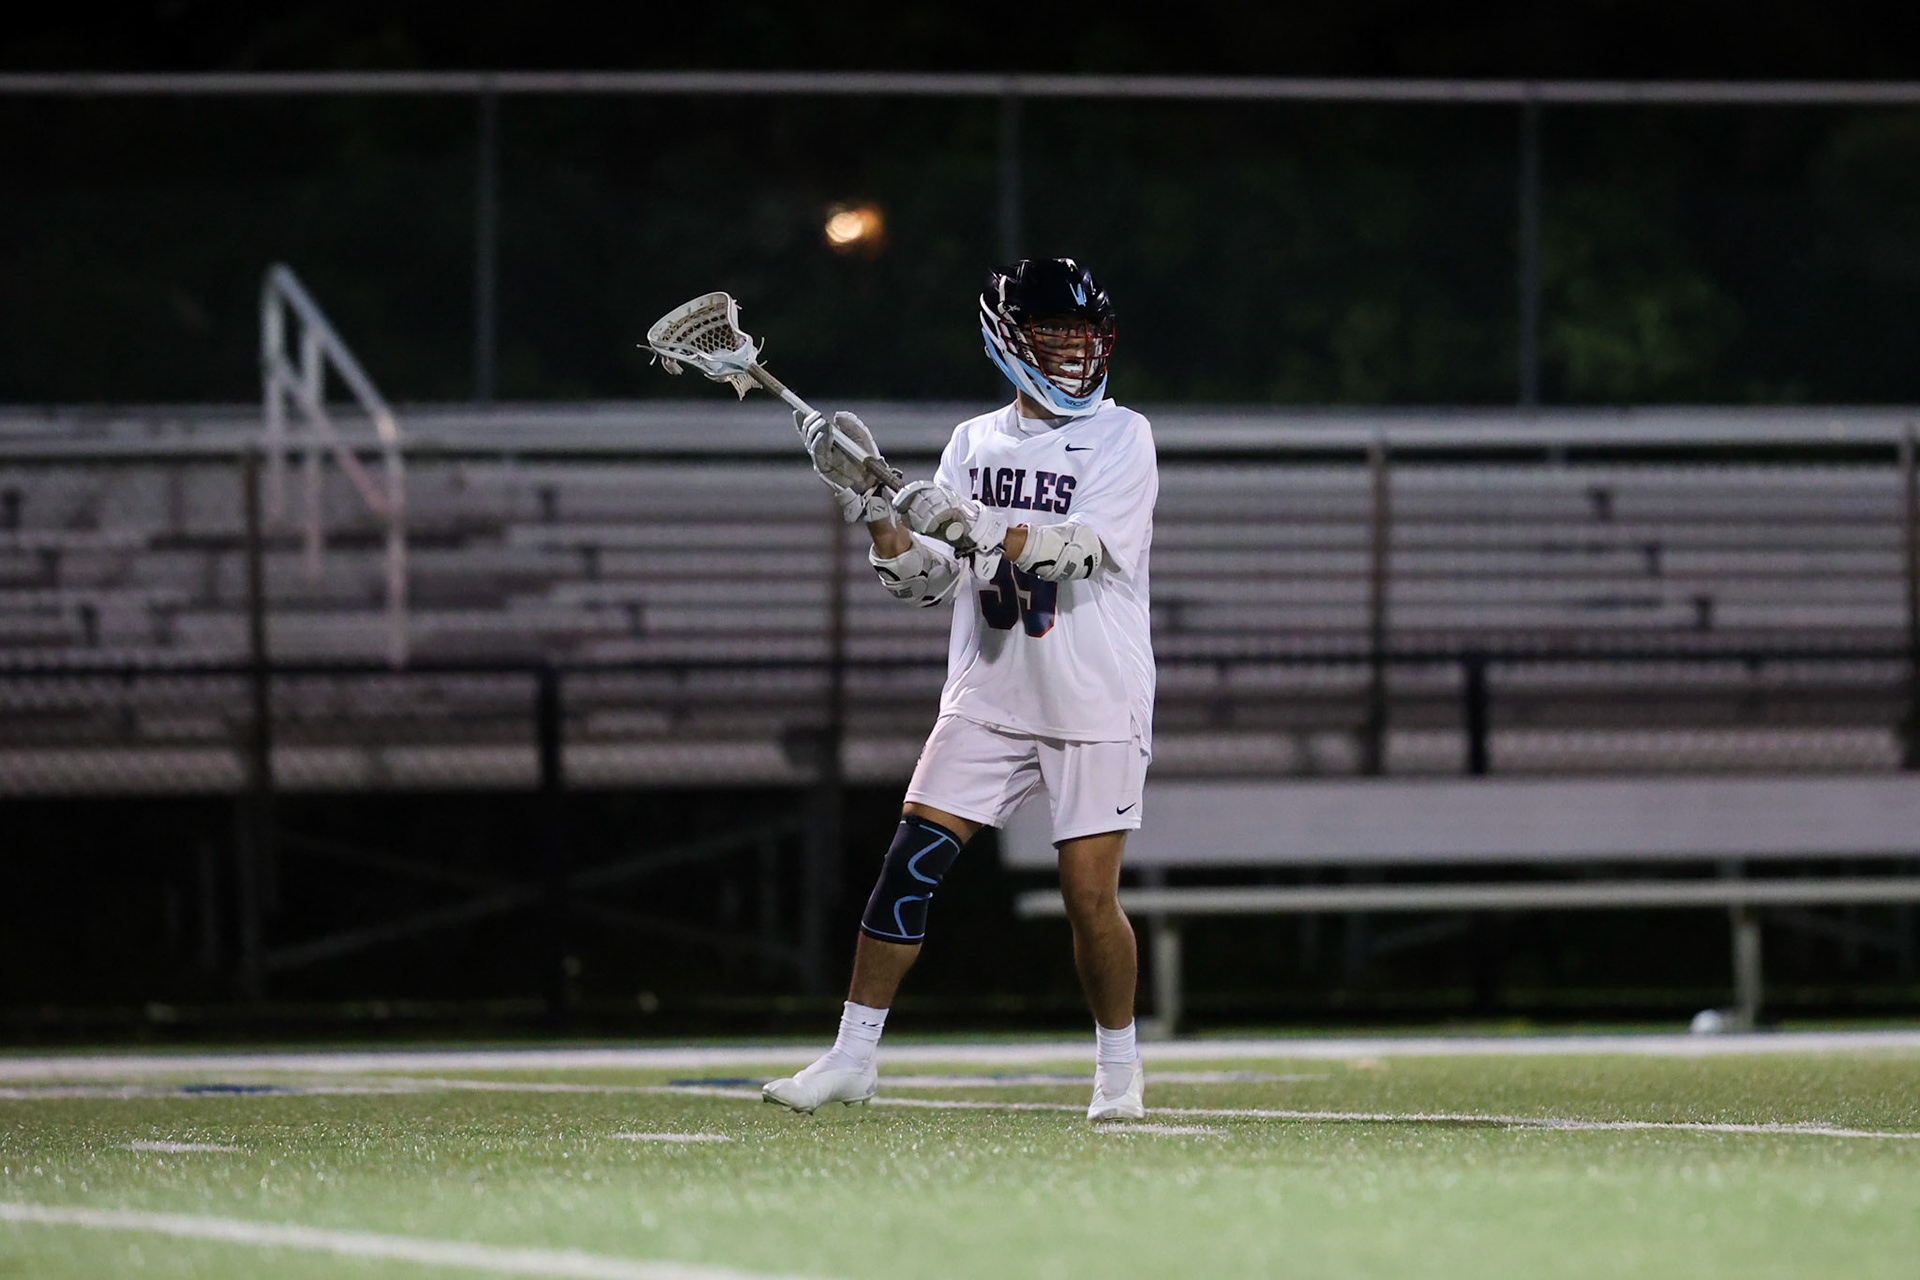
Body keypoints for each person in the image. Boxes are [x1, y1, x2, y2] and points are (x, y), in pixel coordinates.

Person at [762, 258, 1157, 1121]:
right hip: (988, 692)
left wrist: (976, 522)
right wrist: (880, 516)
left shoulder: (1126, 436)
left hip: (1094, 695)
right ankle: (853, 1056)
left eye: (1081, 339)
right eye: (1052, 338)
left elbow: (1082, 550)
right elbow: (927, 583)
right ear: (1009, 342)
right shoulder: (973, 443)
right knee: (909, 866)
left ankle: (1118, 1069)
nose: (1072, 355)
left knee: (1090, 897)